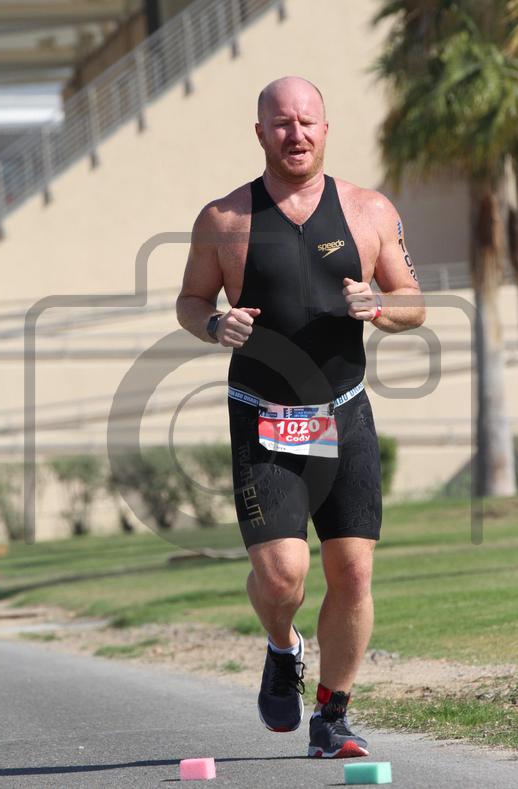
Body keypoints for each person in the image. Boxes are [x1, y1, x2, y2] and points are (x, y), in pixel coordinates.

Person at [176, 76, 425, 758]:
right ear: (260, 133)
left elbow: (413, 300)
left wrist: (379, 305)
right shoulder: (223, 219)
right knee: (283, 575)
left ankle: (332, 714)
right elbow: (191, 301)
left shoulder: (370, 211)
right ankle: (283, 646)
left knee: (353, 574)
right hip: (264, 417)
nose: (296, 133)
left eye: (307, 121)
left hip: (344, 412)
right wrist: (215, 323)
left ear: (325, 128)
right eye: (282, 123)